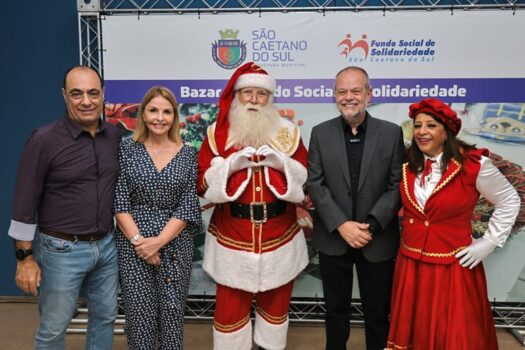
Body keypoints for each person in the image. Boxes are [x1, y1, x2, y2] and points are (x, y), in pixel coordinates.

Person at [386, 98, 521, 350]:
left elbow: (510, 200)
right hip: (411, 262)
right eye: (417, 125)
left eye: (431, 125)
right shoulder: (406, 163)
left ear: (446, 130)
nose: (422, 131)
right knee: (413, 331)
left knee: (454, 333)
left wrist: (488, 243)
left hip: (453, 266)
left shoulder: (473, 165)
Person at [197, 62, 309, 350]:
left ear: (269, 99)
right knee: (229, 314)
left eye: (261, 94)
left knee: (275, 310)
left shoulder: (287, 133)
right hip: (232, 237)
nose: (254, 100)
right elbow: (201, 184)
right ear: (237, 95)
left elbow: (306, 177)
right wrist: (228, 167)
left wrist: (281, 165)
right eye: (248, 92)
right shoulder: (217, 134)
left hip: (279, 237)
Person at [8, 65, 121, 349]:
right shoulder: (44, 140)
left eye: (93, 93)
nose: (86, 101)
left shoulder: (114, 135)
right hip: (61, 252)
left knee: (105, 319)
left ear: (103, 94)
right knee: (53, 329)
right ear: (64, 96)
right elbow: (24, 202)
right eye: (77, 93)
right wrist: (24, 258)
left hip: (107, 247)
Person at [307, 66, 404, 350]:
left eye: (355, 91)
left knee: (377, 314)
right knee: (335, 312)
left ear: (369, 94)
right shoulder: (320, 133)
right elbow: (316, 183)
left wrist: (370, 225)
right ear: (334, 96)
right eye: (342, 92)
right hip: (334, 238)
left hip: (377, 238)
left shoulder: (391, 133)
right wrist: (342, 224)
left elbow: (396, 184)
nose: (348, 97)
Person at [113, 86, 202, 349]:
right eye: (153, 110)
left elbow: (187, 205)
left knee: (172, 315)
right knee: (139, 316)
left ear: (175, 116)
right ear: (143, 114)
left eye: (166, 112)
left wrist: (159, 241)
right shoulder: (126, 149)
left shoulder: (187, 153)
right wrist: (142, 243)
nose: (159, 118)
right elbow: (119, 202)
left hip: (174, 244)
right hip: (134, 246)